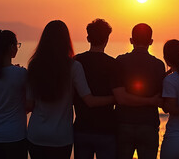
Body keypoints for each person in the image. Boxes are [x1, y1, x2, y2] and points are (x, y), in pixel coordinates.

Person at [26, 20, 115, 159]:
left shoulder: (34, 65)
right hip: (60, 136)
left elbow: (29, 104)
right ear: (66, 40)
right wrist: (116, 98)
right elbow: (89, 100)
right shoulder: (73, 66)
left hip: (36, 134)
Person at [113, 23, 165, 159]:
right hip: (148, 124)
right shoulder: (159, 65)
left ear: (131, 40)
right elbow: (159, 99)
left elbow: (121, 98)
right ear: (151, 42)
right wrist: (149, 101)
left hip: (123, 123)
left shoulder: (120, 61)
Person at [73, 19, 118, 159]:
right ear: (107, 39)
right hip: (106, 129)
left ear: (88, 38)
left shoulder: (76, 61)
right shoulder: (113, 64)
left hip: (82, 127)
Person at [0, 30, 28, 159]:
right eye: (17, 45)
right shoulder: (21, 74)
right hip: (15, 135)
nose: (17, 48)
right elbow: (28, 105)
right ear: (10, 47)